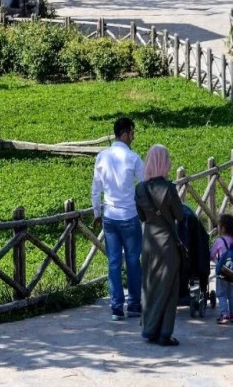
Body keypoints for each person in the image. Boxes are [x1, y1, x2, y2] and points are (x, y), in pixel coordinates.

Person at [91, 117, 145, 321]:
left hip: (110, 217)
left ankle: (116, 307)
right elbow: (145, 184)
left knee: (113, 262)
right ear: (124, 134)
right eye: (132, 133)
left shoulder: (102, 157)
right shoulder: (133, 158)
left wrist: (97, 213)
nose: (133, 137)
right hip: (129, 215)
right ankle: (134, 304)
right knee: (133, 261)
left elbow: (96, 188)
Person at [135, 144, 183, 346]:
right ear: (164, 162)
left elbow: (141, 216)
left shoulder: (140, 189)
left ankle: (149, 329)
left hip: (149, 242)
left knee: (150, 285)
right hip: (167, 244)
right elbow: (180, 215)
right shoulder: (169, 189)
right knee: (169, 288)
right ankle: (165, 333)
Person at [210, 213, 233, 324]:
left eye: (219, 225)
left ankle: (224, 314)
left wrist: (217, 261)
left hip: (222, 272)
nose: (218, 227)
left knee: (221, 294)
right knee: (232, 295)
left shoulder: (219, 241)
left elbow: (211, 255)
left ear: (223, 228)